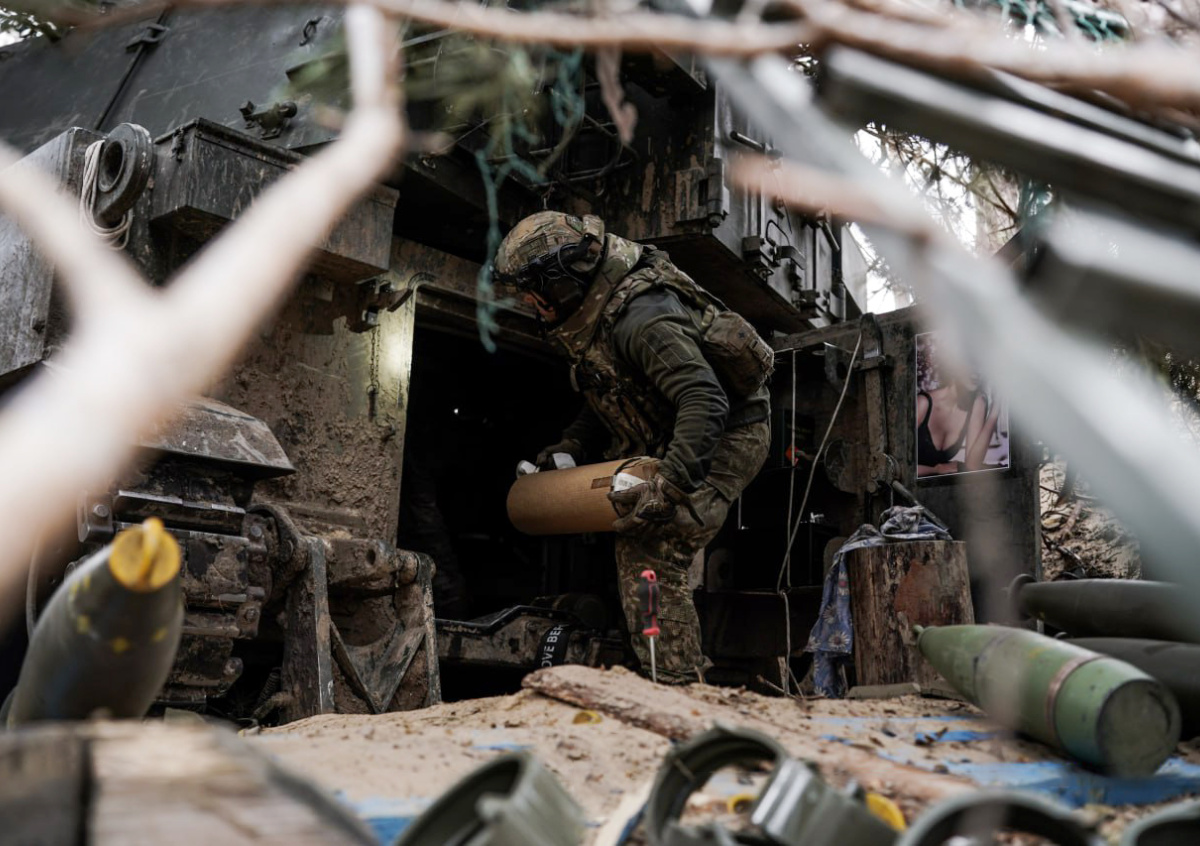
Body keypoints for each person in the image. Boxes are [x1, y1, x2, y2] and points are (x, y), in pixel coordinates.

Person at [493, 211, 772, 684]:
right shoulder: (597, 311)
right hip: (677, 426)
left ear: (561, 280)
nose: (527, 301)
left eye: (530, 289)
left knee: (653, 548)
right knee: (632, 536)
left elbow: (704, 399)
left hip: (728, 432)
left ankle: (677, 687)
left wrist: (672, 486)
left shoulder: (642, 319)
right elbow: (612, 387)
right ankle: (648, 667)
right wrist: (574, 443)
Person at [916, 372, 1001, 476]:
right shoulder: (922, 403)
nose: (977, 372)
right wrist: (935, 470)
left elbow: (973, 465)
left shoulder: (977, 403)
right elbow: (900, 466)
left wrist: (995, 410)